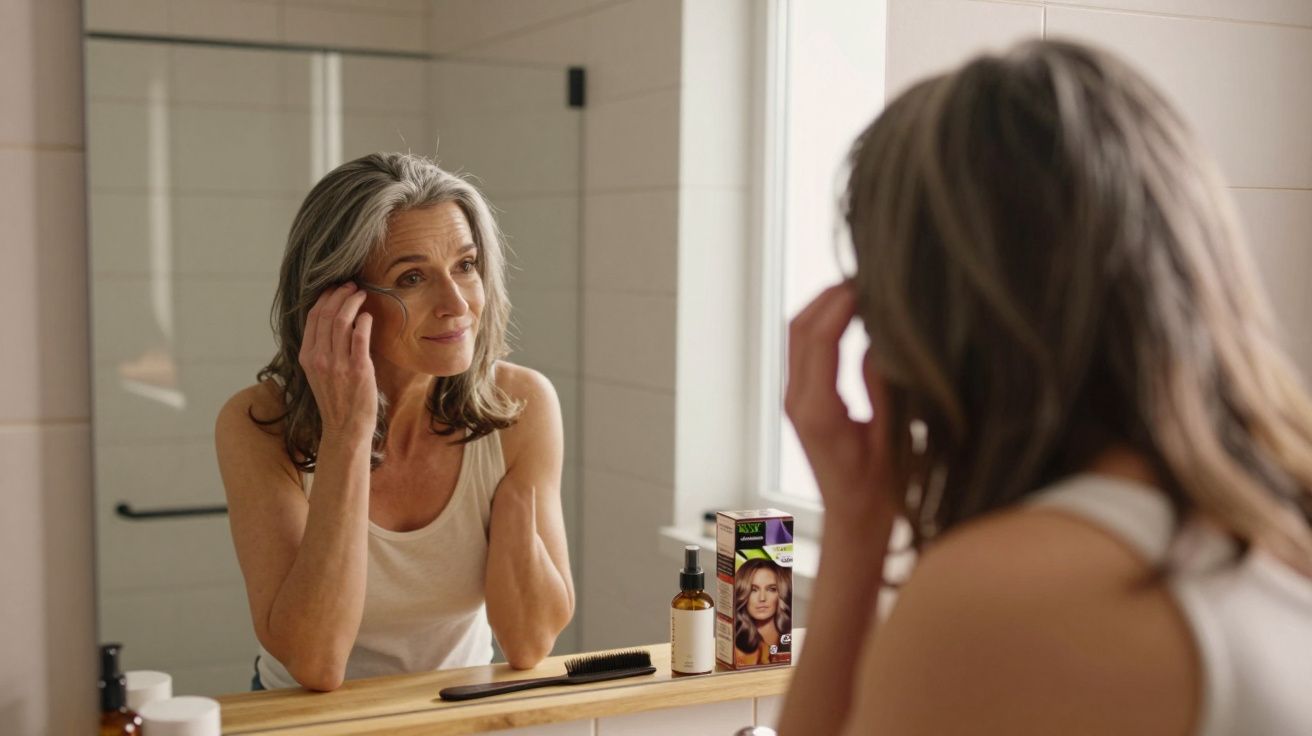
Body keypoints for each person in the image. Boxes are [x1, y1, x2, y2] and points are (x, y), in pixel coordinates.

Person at [777, 40, 1312, 735]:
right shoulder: (1268, 519)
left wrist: (856, 534)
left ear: (923, 316)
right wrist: (856, 522)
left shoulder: (1007, 598)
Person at [215, 152, 574, 692]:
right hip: (307, 720)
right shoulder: (258, 425)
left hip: (457, 709)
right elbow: (315, 662)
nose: (457, 304)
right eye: (412, 277)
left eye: (467, 265)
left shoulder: (521, 405)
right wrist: (347, 433)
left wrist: (512, 478)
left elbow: (528, 642)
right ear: (337, 302)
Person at [733, 559, 792, 666]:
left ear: (781, 593)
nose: (762, 598)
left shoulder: (789, 641)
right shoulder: (737, 650)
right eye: (753, 590)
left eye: (772, 589)